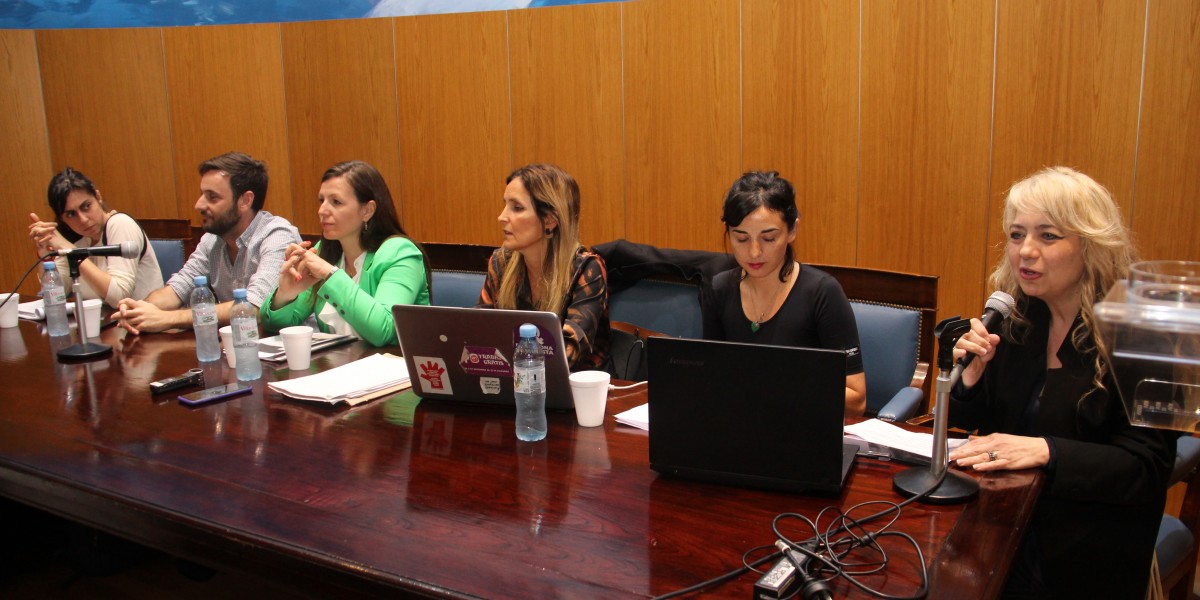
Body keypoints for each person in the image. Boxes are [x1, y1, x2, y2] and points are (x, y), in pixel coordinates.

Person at [946, 166, 1177, 599]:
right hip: (1004, 527)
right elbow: (980, 423)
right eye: (1016, 235)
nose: (1025, 252)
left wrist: (1047, 451)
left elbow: (1145, 470)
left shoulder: (1143, 336)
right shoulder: (1019, 316)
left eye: (1048, 237)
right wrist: (971, 379)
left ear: (1091, 246)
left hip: (1087, 550)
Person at [702, 171, 866, 415]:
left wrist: (777, 387)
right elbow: (711, 376)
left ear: (792, 231)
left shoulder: (822, 293)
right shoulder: (719, 289)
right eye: (741, 238)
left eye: (768, 238)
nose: (754, 252)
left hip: (804, 428)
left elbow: (856, 400)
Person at [116, 152, 300, 334]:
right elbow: (178, 287)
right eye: (202, 195)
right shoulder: (212, 239)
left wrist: (166, 319)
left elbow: (254, 307)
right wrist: (140, 310)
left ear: (245, 200)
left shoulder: (277, 235)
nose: (199, 205)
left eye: (212, 197)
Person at [260, 161, 430, 347]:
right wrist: (286, 295)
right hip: (342, 366)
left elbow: (384, 330)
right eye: (321, 200)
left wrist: (330, 275)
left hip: (400, 369)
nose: (322, 210)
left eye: (336, 202)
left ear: (367, 210)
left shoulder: (400, 252)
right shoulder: (325, 251)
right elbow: (277, 325)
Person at [477, 163, 610, 371]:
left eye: (517, 208)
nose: (501, 217)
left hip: (580, 395)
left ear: (550, 219)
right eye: (505, 205)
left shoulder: (587, 269)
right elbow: (479, 335)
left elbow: (568, 356)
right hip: (514, 387)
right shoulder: (500, 262)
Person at [27, 168, 164, 307]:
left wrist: (71, 251)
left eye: (86, 206)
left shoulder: (120, 224)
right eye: (70, 214)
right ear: (63, 220)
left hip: (145, 326)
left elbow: (120, 297)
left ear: (98, 197)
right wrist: (45, 254)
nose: (83, 219)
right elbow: (57, 295)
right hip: (104, 326)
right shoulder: (81, 241)